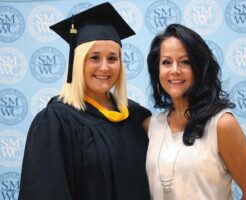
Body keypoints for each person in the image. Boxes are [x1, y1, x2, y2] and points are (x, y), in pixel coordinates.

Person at [18, 2, 151, 200]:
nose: (105, 67)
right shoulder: (56, 122)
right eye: (94, 58)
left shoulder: (135, 117)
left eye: (113, 59)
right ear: (77, 62)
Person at [145, 24, 246, 200]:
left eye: (185, 62)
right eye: (166, 62)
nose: (175, 70)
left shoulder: (222, 125)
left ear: (199, 67)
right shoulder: (151, 126)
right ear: (157, 71)